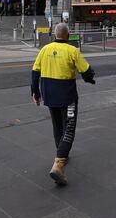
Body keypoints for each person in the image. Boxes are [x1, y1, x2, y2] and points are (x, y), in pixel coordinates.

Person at [31, 23, 95, 186]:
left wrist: (36, 93)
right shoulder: (72, 50)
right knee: (69, 127)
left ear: (54, 34)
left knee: (57, 126)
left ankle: (62, 154)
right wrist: (90, 79)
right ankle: (59, 164)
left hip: (49, 95)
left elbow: (35, 71)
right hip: (68, 97)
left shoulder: (44, 49)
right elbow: (86, 70)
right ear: (68, 35)